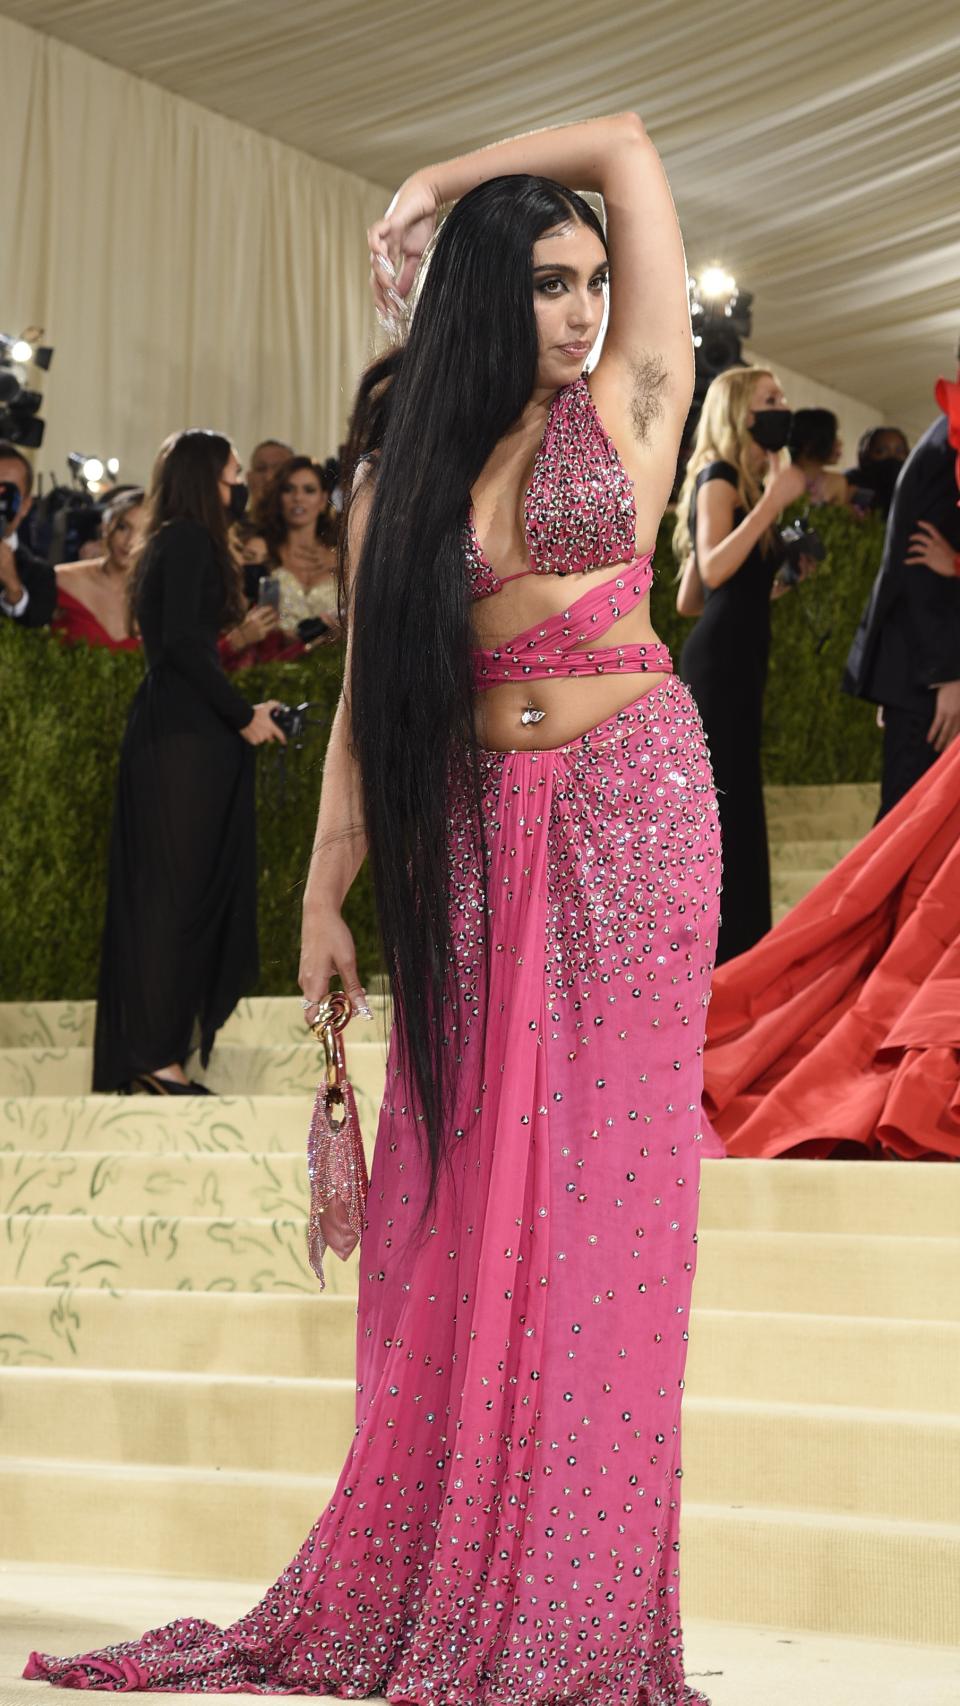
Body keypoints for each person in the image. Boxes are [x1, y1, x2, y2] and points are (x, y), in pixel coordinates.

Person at [27, 113, 720, 1704]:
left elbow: (622, 137)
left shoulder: (633, 398)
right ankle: (463, 1557)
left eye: (594, 281)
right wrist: (323, 893)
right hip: (476, 840)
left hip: (633, 817)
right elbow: (364, 694)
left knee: (605, 1223)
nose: (580, 309)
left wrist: (440, 179)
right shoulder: (418, 465)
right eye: (548, 281)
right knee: (477, 1202)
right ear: (491, 294)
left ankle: (577, 1600)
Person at [89, 429, 285, 1098]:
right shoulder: (190, 542)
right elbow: (183, 648)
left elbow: (184, 649)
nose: (239, 485)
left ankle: (155, 1055)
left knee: (165, 895)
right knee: (173, 898)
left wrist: (237, 707)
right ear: (209, 477)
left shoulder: (172, 542)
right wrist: (244, 715)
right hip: (182, 745)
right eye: (232, 472)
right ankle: (156, 1059)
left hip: (172, 733)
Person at [673, 367, 815, 964]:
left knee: (732, 805)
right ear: (739, 411)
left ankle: (737, 955)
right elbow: (712, 566)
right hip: (720, 667)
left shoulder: (742, 484)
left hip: (735, 658)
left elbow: (689, 597)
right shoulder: (720, 477)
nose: (783, 407)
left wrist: (775, 583)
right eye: (770, 399)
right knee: (724, 811)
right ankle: (725, 957)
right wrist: (770, 510)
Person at [843, 362, 960, 817]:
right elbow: (916, 569)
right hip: (929, 679)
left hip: (925, 675)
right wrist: (947, 674)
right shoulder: (945, 447)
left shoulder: (945, 438)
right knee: (908, 824)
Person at [255, 454, 341, 638]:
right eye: (289, 489)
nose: (298, 498)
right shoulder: (261, 552)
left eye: (309, 490)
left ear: (322, 500)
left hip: (334, 664)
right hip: (273, 663)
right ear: (279, 498)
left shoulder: (342, 558)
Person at [52, 489, 145, 651]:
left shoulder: (163, 599)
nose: (130, 542)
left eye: (143, 534)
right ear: (106, 526)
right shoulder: (62, 579)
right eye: (123, 527)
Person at [0, 439, 56, 628]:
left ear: (25, 506)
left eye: (8, 493)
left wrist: (13, 587)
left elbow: (36, 624)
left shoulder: (40, 574)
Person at [787, 407, 853, 507]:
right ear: (809, 442)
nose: (839, 443)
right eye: (832, 437)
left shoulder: (837, 482)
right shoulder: (776, 476)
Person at [845, 424, 909, 518]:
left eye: (899, 451)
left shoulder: (913, 489)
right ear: (865, 455)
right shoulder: (851, 482)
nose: (892, 457)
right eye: (881, 451)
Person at [245, 436, 294, 509]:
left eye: (279, 470)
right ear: (249, 478)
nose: (269, 477)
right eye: (261, 469)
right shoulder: (231, 520)